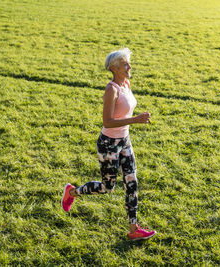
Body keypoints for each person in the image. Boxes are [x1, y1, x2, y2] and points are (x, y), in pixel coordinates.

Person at [61, 48, 156, 241]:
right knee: (107, 187)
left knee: (132, 184)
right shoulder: (111, 89)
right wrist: (135, 120)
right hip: (108, 144)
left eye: (128, 62)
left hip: (125, 141)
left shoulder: (126, 84)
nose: (129, 66)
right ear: (114, 68)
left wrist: (134, 120)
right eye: (125, 64)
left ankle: (133, 230)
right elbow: (108, 122)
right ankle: (71, 192)